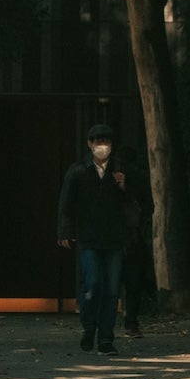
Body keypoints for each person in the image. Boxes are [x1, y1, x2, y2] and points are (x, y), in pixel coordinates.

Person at [59, 126, 130, 356]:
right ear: (89, 143)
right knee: (92, 285)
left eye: (107, 141)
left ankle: (106, 338)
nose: (103, 146)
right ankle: (89, 327)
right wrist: (65, 232)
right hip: (89, 238)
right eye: (99, 141)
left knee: (111, 290)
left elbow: (136, 202)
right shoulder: (78, 172)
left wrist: (124, 187)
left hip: (114, 239)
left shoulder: (120, 172)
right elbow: (66, 203)